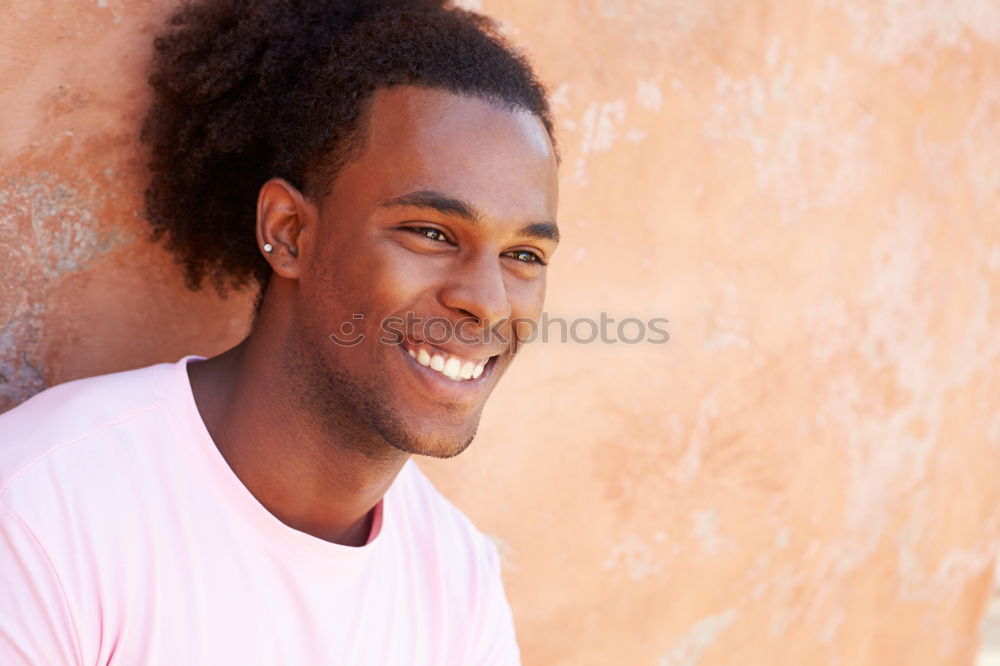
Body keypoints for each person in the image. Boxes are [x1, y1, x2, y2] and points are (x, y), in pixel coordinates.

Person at [0, 0, 559, 663]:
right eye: (432, 233)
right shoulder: (42, 509)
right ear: (289, 233)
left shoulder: (458, 585)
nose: (489, 304)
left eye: (524, 255)